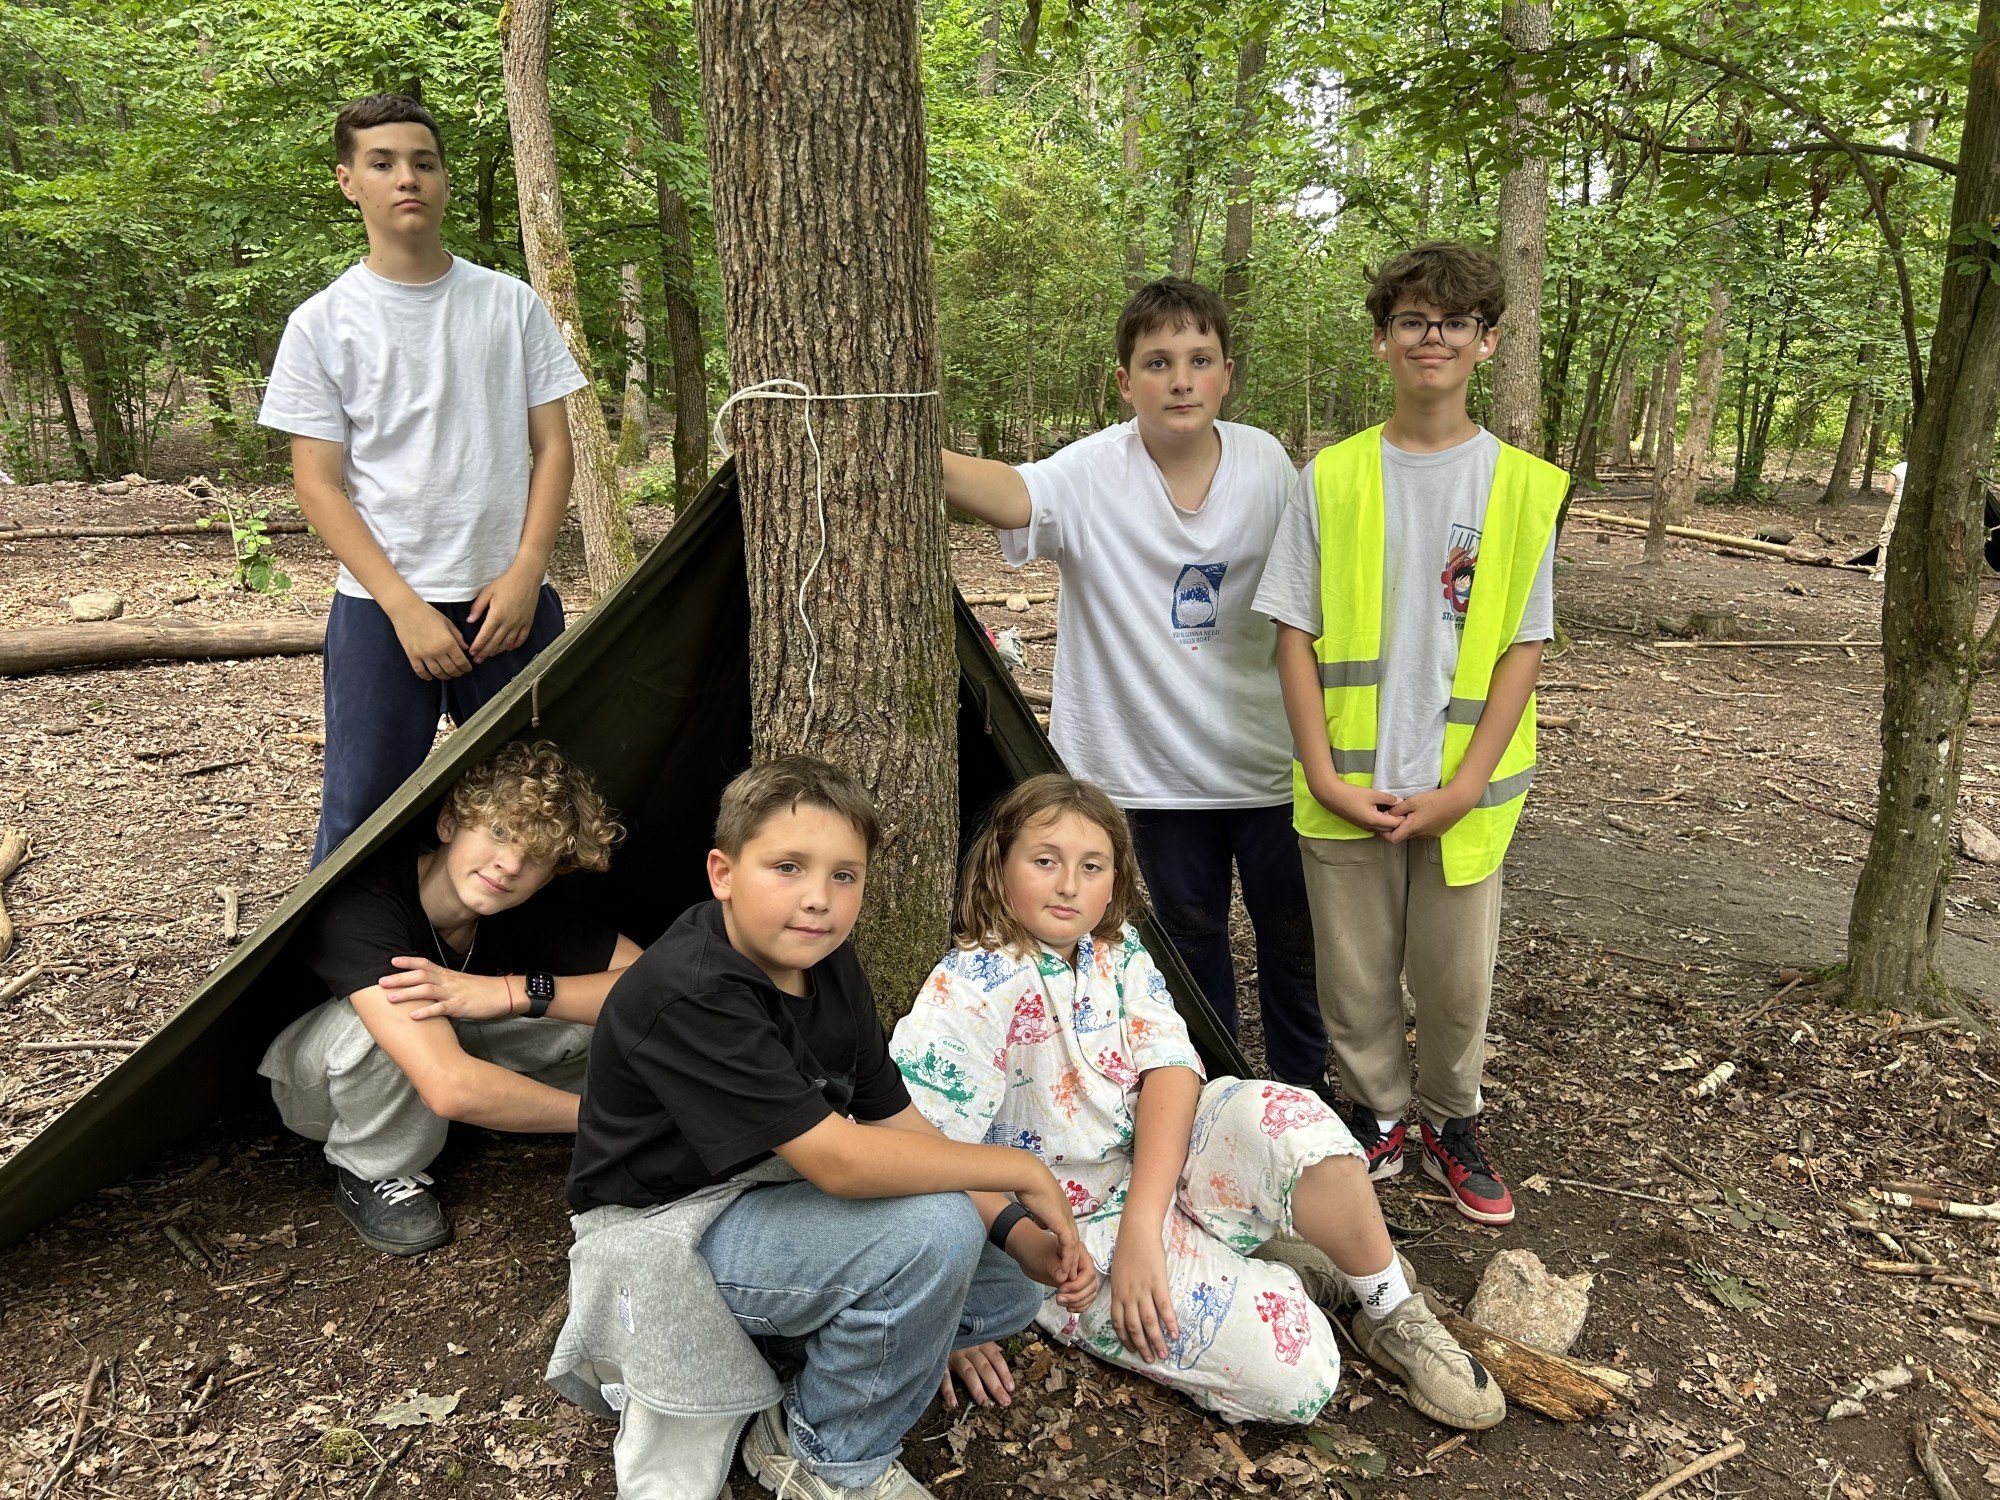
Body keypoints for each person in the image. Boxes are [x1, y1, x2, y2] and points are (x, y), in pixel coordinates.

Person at [550, 757, 1095, 1500]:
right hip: (661, 1233)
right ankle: (824, 1457)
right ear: (722, 873)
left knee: (1007, 1285)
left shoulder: (827, 962)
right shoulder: (694, 989)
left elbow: (898, 1122)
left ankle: (825, 1357)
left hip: (764, 1194)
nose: (818, 898)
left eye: (844, 876)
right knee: (936, 1233)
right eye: (788, 867)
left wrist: (1015, 1232)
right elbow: (840, 1162)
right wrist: (1020, 1172)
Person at [891, 774, 1504, 1432]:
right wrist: (957, 1314)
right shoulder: (970, 986)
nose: (1068, 885)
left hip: (1160, 1173)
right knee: (1298, 1374)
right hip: (1070, 1235)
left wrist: (1142, 1230)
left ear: (1115, 881)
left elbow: (1174, 1071)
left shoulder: (1116, 948)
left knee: (1295, 1120)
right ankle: (1283, 1261)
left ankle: (1389, 1308)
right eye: (1045, 861)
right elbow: (930, 1150)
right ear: (999, 865)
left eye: (1091, 866)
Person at [937, 278, 1327, 1097]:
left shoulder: (1265, 463)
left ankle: (1307, 1096)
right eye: (1157, 362)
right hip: (1144, 776)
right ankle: (1213, 1098)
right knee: (1185, 954)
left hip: (1268, 766)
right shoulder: (1092, 472)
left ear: (1227, 374)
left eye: (1199, 360)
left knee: (1300, 946)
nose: (1180, 380)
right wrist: (886, 432)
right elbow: (1007, 494)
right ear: (1125, 381)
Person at [1254, 242, 1566, 1228]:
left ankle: (1450, 1119)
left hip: (1462, 790)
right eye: (1412, 321)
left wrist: (1465, 785)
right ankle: (1377, 1114)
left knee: (1455, 978)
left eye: (1454, 322)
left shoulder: (1521, 487)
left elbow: (1521, 648)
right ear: (1382, 340)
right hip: (1347, 781)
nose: (1433, 338)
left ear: (1487, 341)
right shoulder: (1332, 476)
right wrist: (1324, 775)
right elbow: (1292, 635)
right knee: (1352, 977)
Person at [258, 93, 587, 866]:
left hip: (507, 604)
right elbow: (318, 486)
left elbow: (553, 448)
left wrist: (528, 570)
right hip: (382, 609)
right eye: (383, 163)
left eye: (423, 162)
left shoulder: (509, 305)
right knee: (362, 816)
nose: (407, 178)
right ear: (349, 181)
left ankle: (530, 946)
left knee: (542, 812)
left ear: (442, 179)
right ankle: (353, 947)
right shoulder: (322, 324)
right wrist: (404, 608)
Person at [259, 740, 640, 1256]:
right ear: (449, 823)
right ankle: (371, 1168)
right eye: (499, 832)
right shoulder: (366, 902)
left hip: (450, 1053)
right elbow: (449, 1086)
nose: (510, 864)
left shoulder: (520, 907)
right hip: (323, 1088)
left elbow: (652, 986)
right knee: (403, 1003)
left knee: (590, 1009)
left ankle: (495, 1111)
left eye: (536, 856)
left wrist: (511, 992)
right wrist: (603, 1121)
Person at [1870, 458, 1908, 582]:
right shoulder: (1923, 467)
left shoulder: (1899, 467)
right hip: (1914, 503)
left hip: (1898, 501)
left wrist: (1895, 494)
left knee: (1886, 535)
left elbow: (1888, 490)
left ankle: (1880, 570)